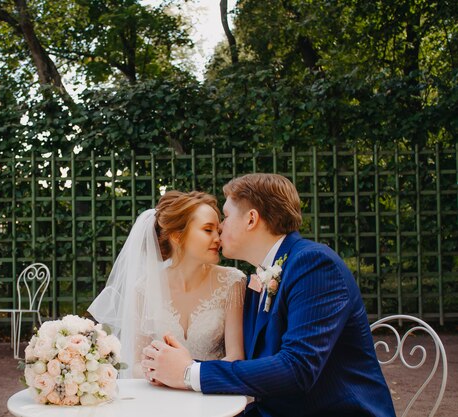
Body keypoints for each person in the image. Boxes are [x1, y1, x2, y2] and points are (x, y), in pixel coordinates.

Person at [141, 174, 396, 417]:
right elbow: (255, 365)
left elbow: (297, 369)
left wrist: (189, 372)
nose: (220, 227)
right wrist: (173, 365)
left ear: (251, 219)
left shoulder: (314, 264)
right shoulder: (260, 277)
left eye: (226, 217)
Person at [88, 191, 246, 378]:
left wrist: (188, 375)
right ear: (177, 237)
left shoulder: (232, 282)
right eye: (207, 230)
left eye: (217, 231)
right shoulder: (144, 289)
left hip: (215, 393)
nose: (218, 238)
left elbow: (236, 358)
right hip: (163, 396)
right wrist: (159, 375)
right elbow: (137, 364)